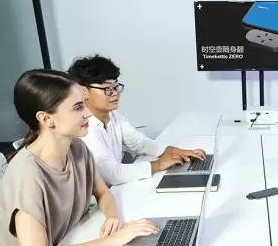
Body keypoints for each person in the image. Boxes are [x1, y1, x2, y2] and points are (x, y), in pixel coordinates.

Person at [0, 69, 159, 246]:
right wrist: (114, 240)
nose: (88, 113)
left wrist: (112, 217)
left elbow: (102, 192)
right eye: (77, 108)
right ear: (46, 119)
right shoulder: (27, 174)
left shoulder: (76, 147)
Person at [67, 55, 206, 186]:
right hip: (92, 199)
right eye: (107, 89)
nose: (115, 93)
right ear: (84, 91)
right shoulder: (83, 128)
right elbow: (113, 174)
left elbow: (139, 143)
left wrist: (175, 152)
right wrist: (158, 164)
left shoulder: (113, 115)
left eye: (116, 86)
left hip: (114, 189)